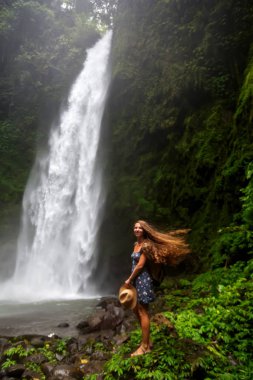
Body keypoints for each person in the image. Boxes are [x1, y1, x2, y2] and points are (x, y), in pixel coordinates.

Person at [124, 219, 190, 357]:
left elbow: (141, 265)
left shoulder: (146, 245)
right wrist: (131, 280)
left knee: (143, 312)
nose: (137, 230)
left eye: (139, 228)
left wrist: (129, 279)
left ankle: (145, 347)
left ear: (145, 230)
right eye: (135, 227)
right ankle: (148, 340)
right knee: (136, 310)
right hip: (136, 281)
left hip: (143, 281)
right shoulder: (136, 244)